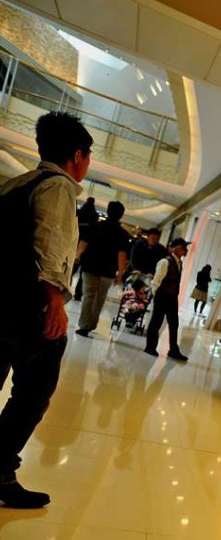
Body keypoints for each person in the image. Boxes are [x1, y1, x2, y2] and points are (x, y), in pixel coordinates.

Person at [0, 111, 92, 509]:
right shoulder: (58, 188)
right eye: (88, 155)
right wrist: (55, 301)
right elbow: (50, 245)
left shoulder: (17, 183)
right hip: (24, 306)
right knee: (34, 391)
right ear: (77, 154)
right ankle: (0, 471)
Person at [75, 200, 130, 337]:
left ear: (107, 211)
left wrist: (77, 257)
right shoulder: (123, 234)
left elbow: (83, 243)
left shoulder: (95, 226)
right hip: (108, 270)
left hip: (90, 266)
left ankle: (84, 325)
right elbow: (121, 255)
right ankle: (92, 324)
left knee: (88, 296)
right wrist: (120, 274)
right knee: (100, 298)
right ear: (121, 215)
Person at [144, 238, 190, 362]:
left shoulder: (179, 263)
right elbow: (156, 281)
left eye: (185, 248)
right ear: (174, 249)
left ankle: (173, 350)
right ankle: (150, 347)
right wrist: (154, 296)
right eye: (183, 248)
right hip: (162, 295)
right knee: (156, 322)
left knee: (174, 323)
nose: (186, 250)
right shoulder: (165, 262)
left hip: (172, 297)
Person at [73, 197, 99, 301]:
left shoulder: (80, 213)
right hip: (87, 248)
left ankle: (63, 290)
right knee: (82, 273)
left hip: (75, 243)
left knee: (70, 270)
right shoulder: (95, 216)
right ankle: (78, 294)